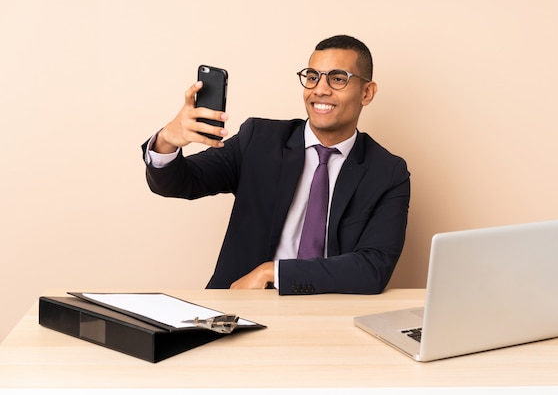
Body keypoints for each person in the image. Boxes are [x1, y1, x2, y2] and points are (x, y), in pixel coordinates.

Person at [141, 35, 410, 295]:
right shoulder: (258, 140)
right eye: (312, 77)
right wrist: (167, 141)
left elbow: (374, 267)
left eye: (338, 79)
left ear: (367, 92)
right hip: (242, 307)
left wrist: (274, 273)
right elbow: (183, 182)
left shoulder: (387, 173)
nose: (320, 89)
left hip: (329, 315)